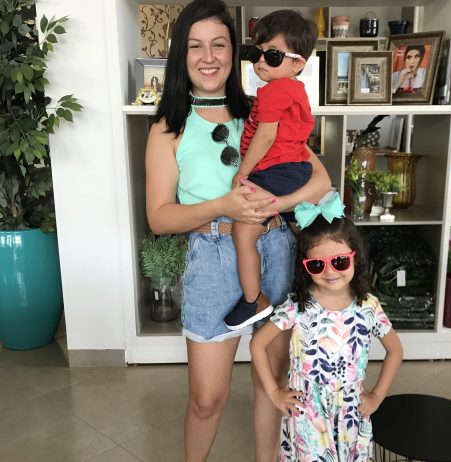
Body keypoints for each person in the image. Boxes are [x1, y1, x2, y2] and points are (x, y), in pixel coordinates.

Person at [144, 0, 331, 460]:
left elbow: (321, 182)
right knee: (207, 400)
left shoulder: (264, 106)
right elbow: (159, 217)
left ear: (235, 51)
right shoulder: (169, 127)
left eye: (219, 44)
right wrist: (224, 207)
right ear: (181, 53)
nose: (208, 57)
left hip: (276, 250)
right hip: (212, 258)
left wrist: (275, 206)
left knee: (273, 383)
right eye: (195, 46)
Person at [250, 192, 403, 461]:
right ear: (305, 266)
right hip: (307, 415)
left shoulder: (368, 306)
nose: (330, 271)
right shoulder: (298, 306)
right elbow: (258, 344)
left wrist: (377, 396)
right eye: (317, 265)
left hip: (351, 413)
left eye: (340, 261)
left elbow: (395, 350)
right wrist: (274, 393)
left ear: (355, 256)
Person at [223, 10, 318, 331]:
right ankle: (313, 285)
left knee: (242, 231)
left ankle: (253, 300)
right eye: (256, 53)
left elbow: (265, 136)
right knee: (300, 232)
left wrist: (243, 172)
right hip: (293, 170)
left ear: (298, 64)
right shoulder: (291, 89)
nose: (261, 61)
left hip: (275, 171)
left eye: (273, 55)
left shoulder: (277, 90)